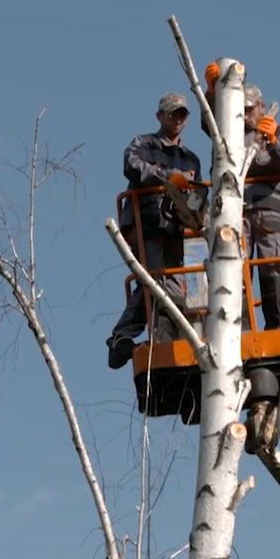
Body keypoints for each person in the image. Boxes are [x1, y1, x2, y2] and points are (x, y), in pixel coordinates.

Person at [106, 93, 206, 369]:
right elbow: (132, 166)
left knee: (164, 284)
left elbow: (197, 194)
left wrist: (197, 213)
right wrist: (166, 179)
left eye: (182, 115)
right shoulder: (144, 144)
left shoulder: (191, 159)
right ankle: (155, 342)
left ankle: (124, 338)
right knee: (157, 282)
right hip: (146, 225)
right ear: (160, 116)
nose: (177, 120)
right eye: (172, 114)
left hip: (175, 230)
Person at [204, 63, 280, 329]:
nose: (246, 116)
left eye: (249, 109)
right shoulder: (231, 135)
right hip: (236, 211)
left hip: (269, 211)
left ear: (261, 106)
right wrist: (212, 94)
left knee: (274, 264)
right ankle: (238, 329)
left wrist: (273, 141)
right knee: (235, 266)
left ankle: (278, 327)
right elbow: (209, 122)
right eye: (241, 110)